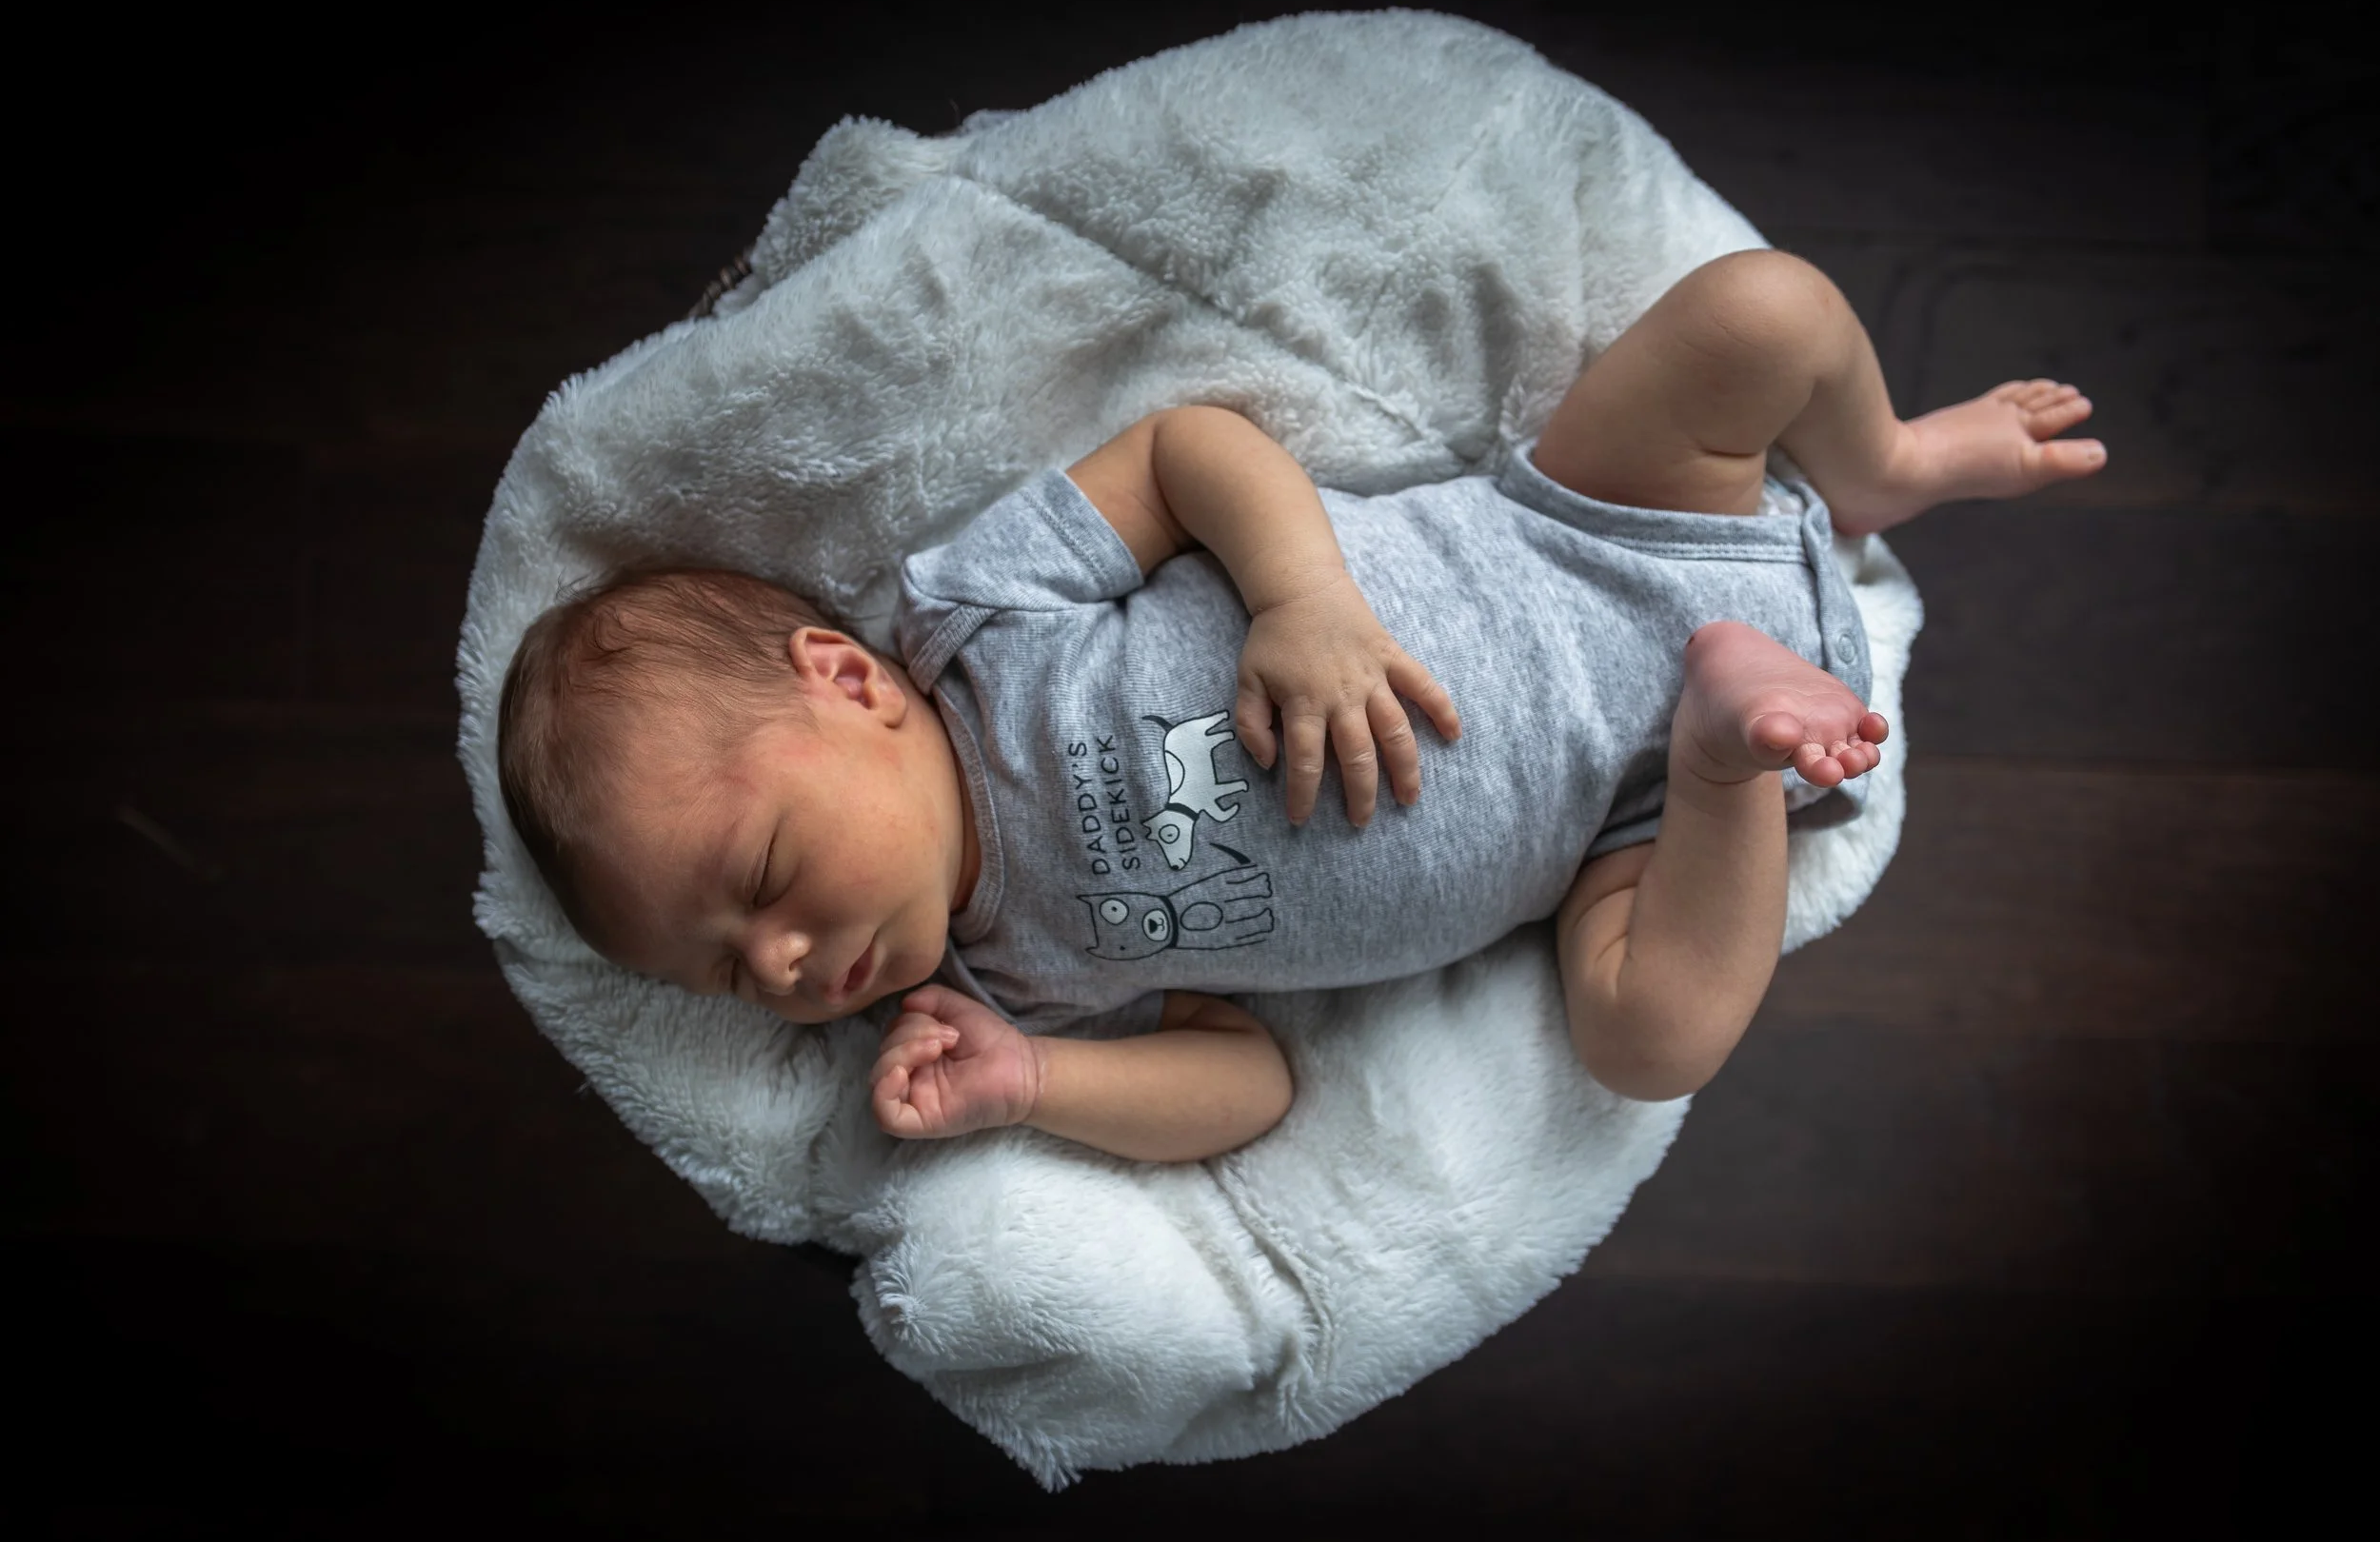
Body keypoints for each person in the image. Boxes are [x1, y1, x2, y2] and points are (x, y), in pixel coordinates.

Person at [497, 248, 2104, 1163]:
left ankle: (1884, 468)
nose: (781, 964)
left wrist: (1301, 600)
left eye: (764, 877)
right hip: (1607, 820)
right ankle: (1721, 750)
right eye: (726, 968)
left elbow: (1189, 446)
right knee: (1653, 1038)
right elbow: (1251, 1085)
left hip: (1583, 525)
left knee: (1764, 308)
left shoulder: (965, 621)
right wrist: (1031, 1086)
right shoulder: (1012, 983)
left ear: (846, 685)